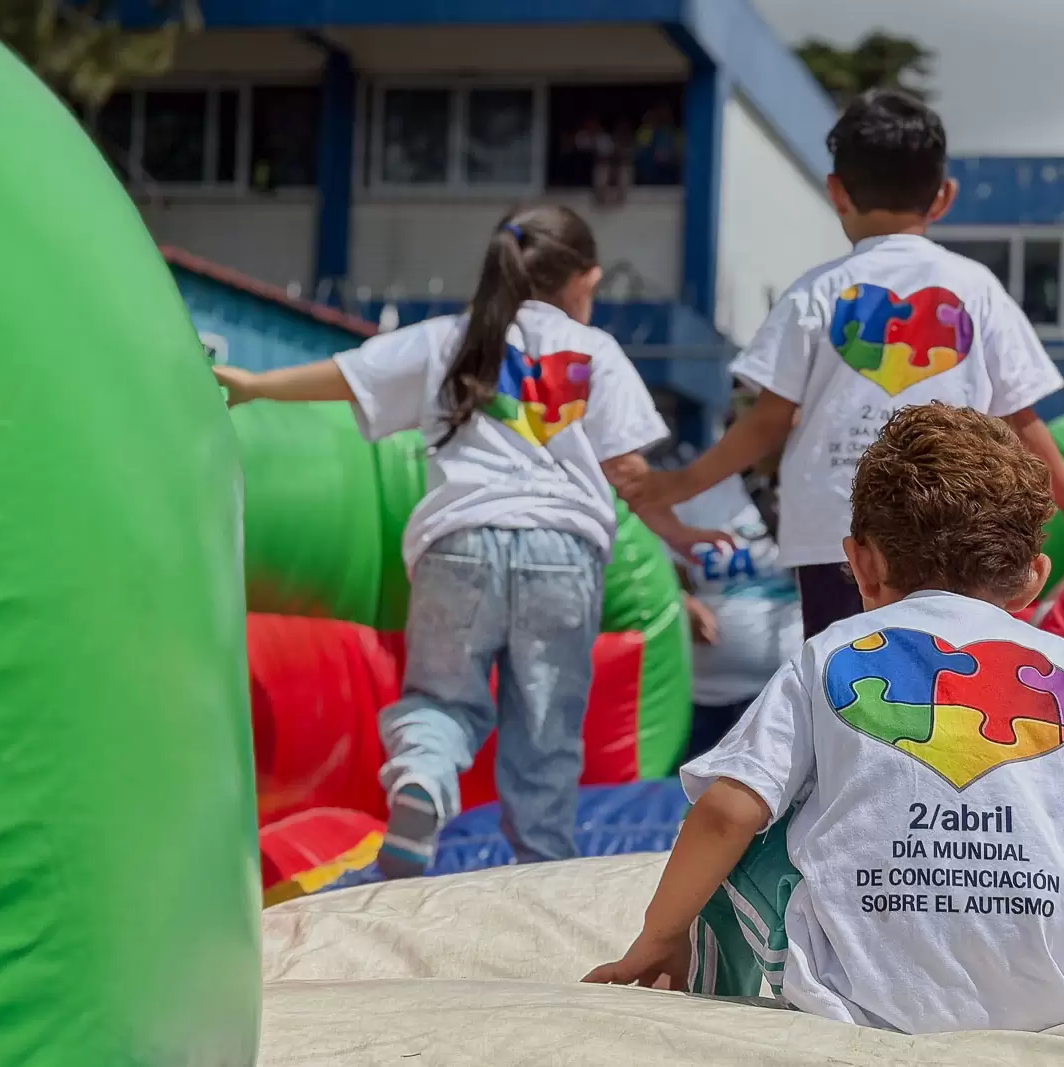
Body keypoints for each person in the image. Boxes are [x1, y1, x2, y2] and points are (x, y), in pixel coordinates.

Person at [586, 403, 1064, 1036]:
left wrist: (658, 936)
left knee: (763, 811)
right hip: (1059, 999)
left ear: (861, 562)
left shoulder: (834, 653)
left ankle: (704, 993)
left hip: (866, 1003)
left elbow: (729, 811)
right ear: (1034, 579)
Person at [213, 206, 724, 878]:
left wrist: (254, 385)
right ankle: (543, 866)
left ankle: (422, 779)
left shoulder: (454, 337)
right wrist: (683, 535)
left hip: (459, 543)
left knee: (441, 699)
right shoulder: (593, 352)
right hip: (561, 555)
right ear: (584, 279)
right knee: (545, 726)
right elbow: (629, 476)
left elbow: (349, 375)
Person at [614, 90, 1064, 639]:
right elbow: (1022, 419)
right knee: (954, 682)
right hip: (957, 526)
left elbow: (767, 422)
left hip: (837, 532)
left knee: (845, 687)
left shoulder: (814, 294)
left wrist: (677, 485)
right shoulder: (977, 290)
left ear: (837, 192)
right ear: (944, 197)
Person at [673, 471, 803, 765]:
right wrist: (683, 604)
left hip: (784, 697)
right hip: (706, 699)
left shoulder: (807, 488)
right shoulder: (693, 491)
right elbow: (664, 577)